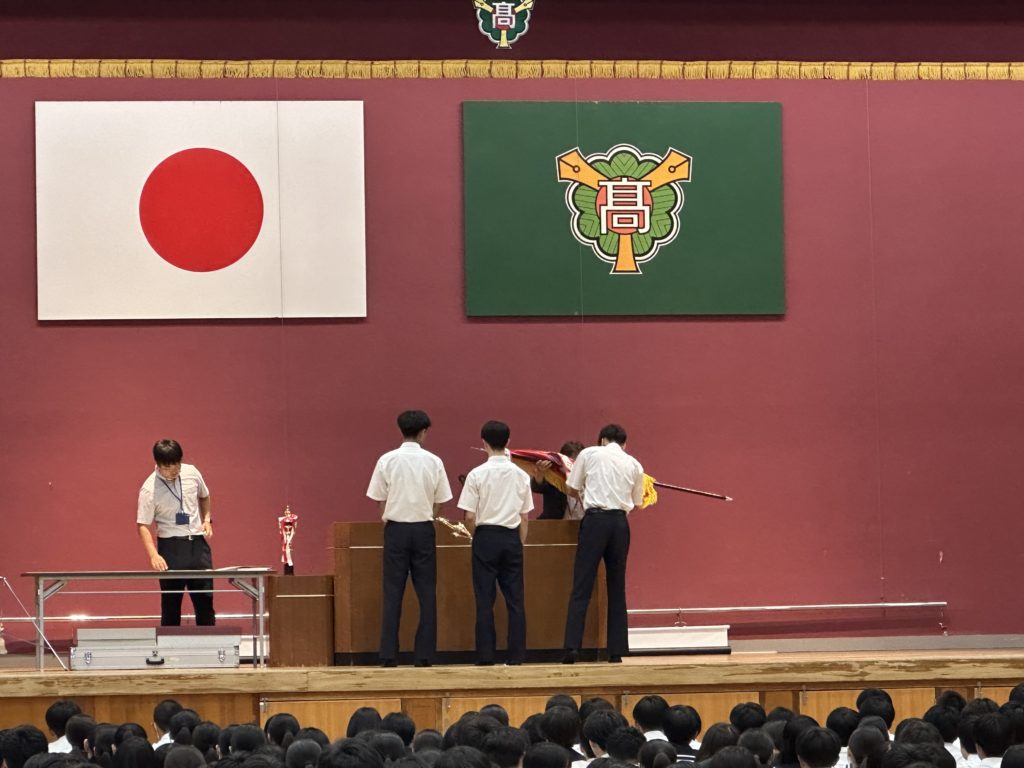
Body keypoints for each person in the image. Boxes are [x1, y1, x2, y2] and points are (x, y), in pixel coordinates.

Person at [367, 410, 453, 667]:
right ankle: (424, 655)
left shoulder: (387, 460)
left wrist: (391, 518)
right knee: (426, 593)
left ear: (400, 430)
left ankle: (388, 654)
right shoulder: (434, 461)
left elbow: (380, 500)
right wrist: (426, 516)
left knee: (392, 592)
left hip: (395, 529)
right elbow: (440, 501)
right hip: (423, 529)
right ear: (424, 432)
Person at [561, 424, 644, 664]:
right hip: (619, 524)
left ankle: (572, 647)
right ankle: (616, 650)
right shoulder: (634, 464)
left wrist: (588, 492)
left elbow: (571, 487)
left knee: (582, 583)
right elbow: (638, 502)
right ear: (624, 444)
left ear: (602, 440)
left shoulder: (589, 454)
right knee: (617, 586)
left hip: (595, 520)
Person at [457, 420, 532, 666]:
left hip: (485, 536)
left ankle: (485, 655)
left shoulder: (476, 475)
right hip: (511, 537)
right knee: (515, 600)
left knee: (484, 599)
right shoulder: (521, 475)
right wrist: (519, 542)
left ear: (484, 442)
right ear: (508, 441)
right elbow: (524, 516)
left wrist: (474, 537)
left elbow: (469, 516)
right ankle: (517, 655)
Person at [136, 440, 215, 626]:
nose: (173, 470)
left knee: (205, 603)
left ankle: (209, 644)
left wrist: (206, 519)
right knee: (171, 606)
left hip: (198, 546)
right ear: (158, 464)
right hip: (170, 549)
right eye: (167, 467)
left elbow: (204, 496)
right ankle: (170, 645)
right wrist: (153, 555)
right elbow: (143, 525)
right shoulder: (149, 489)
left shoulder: (191, 472)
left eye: (177, 464)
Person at [531, 441, 584, 520]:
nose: (573, 468)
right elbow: (537, 487)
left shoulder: (589, 481)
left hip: (583, 525)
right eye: (570, 463)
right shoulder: (554, 480)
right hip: (554, 525)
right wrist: (540, 473)